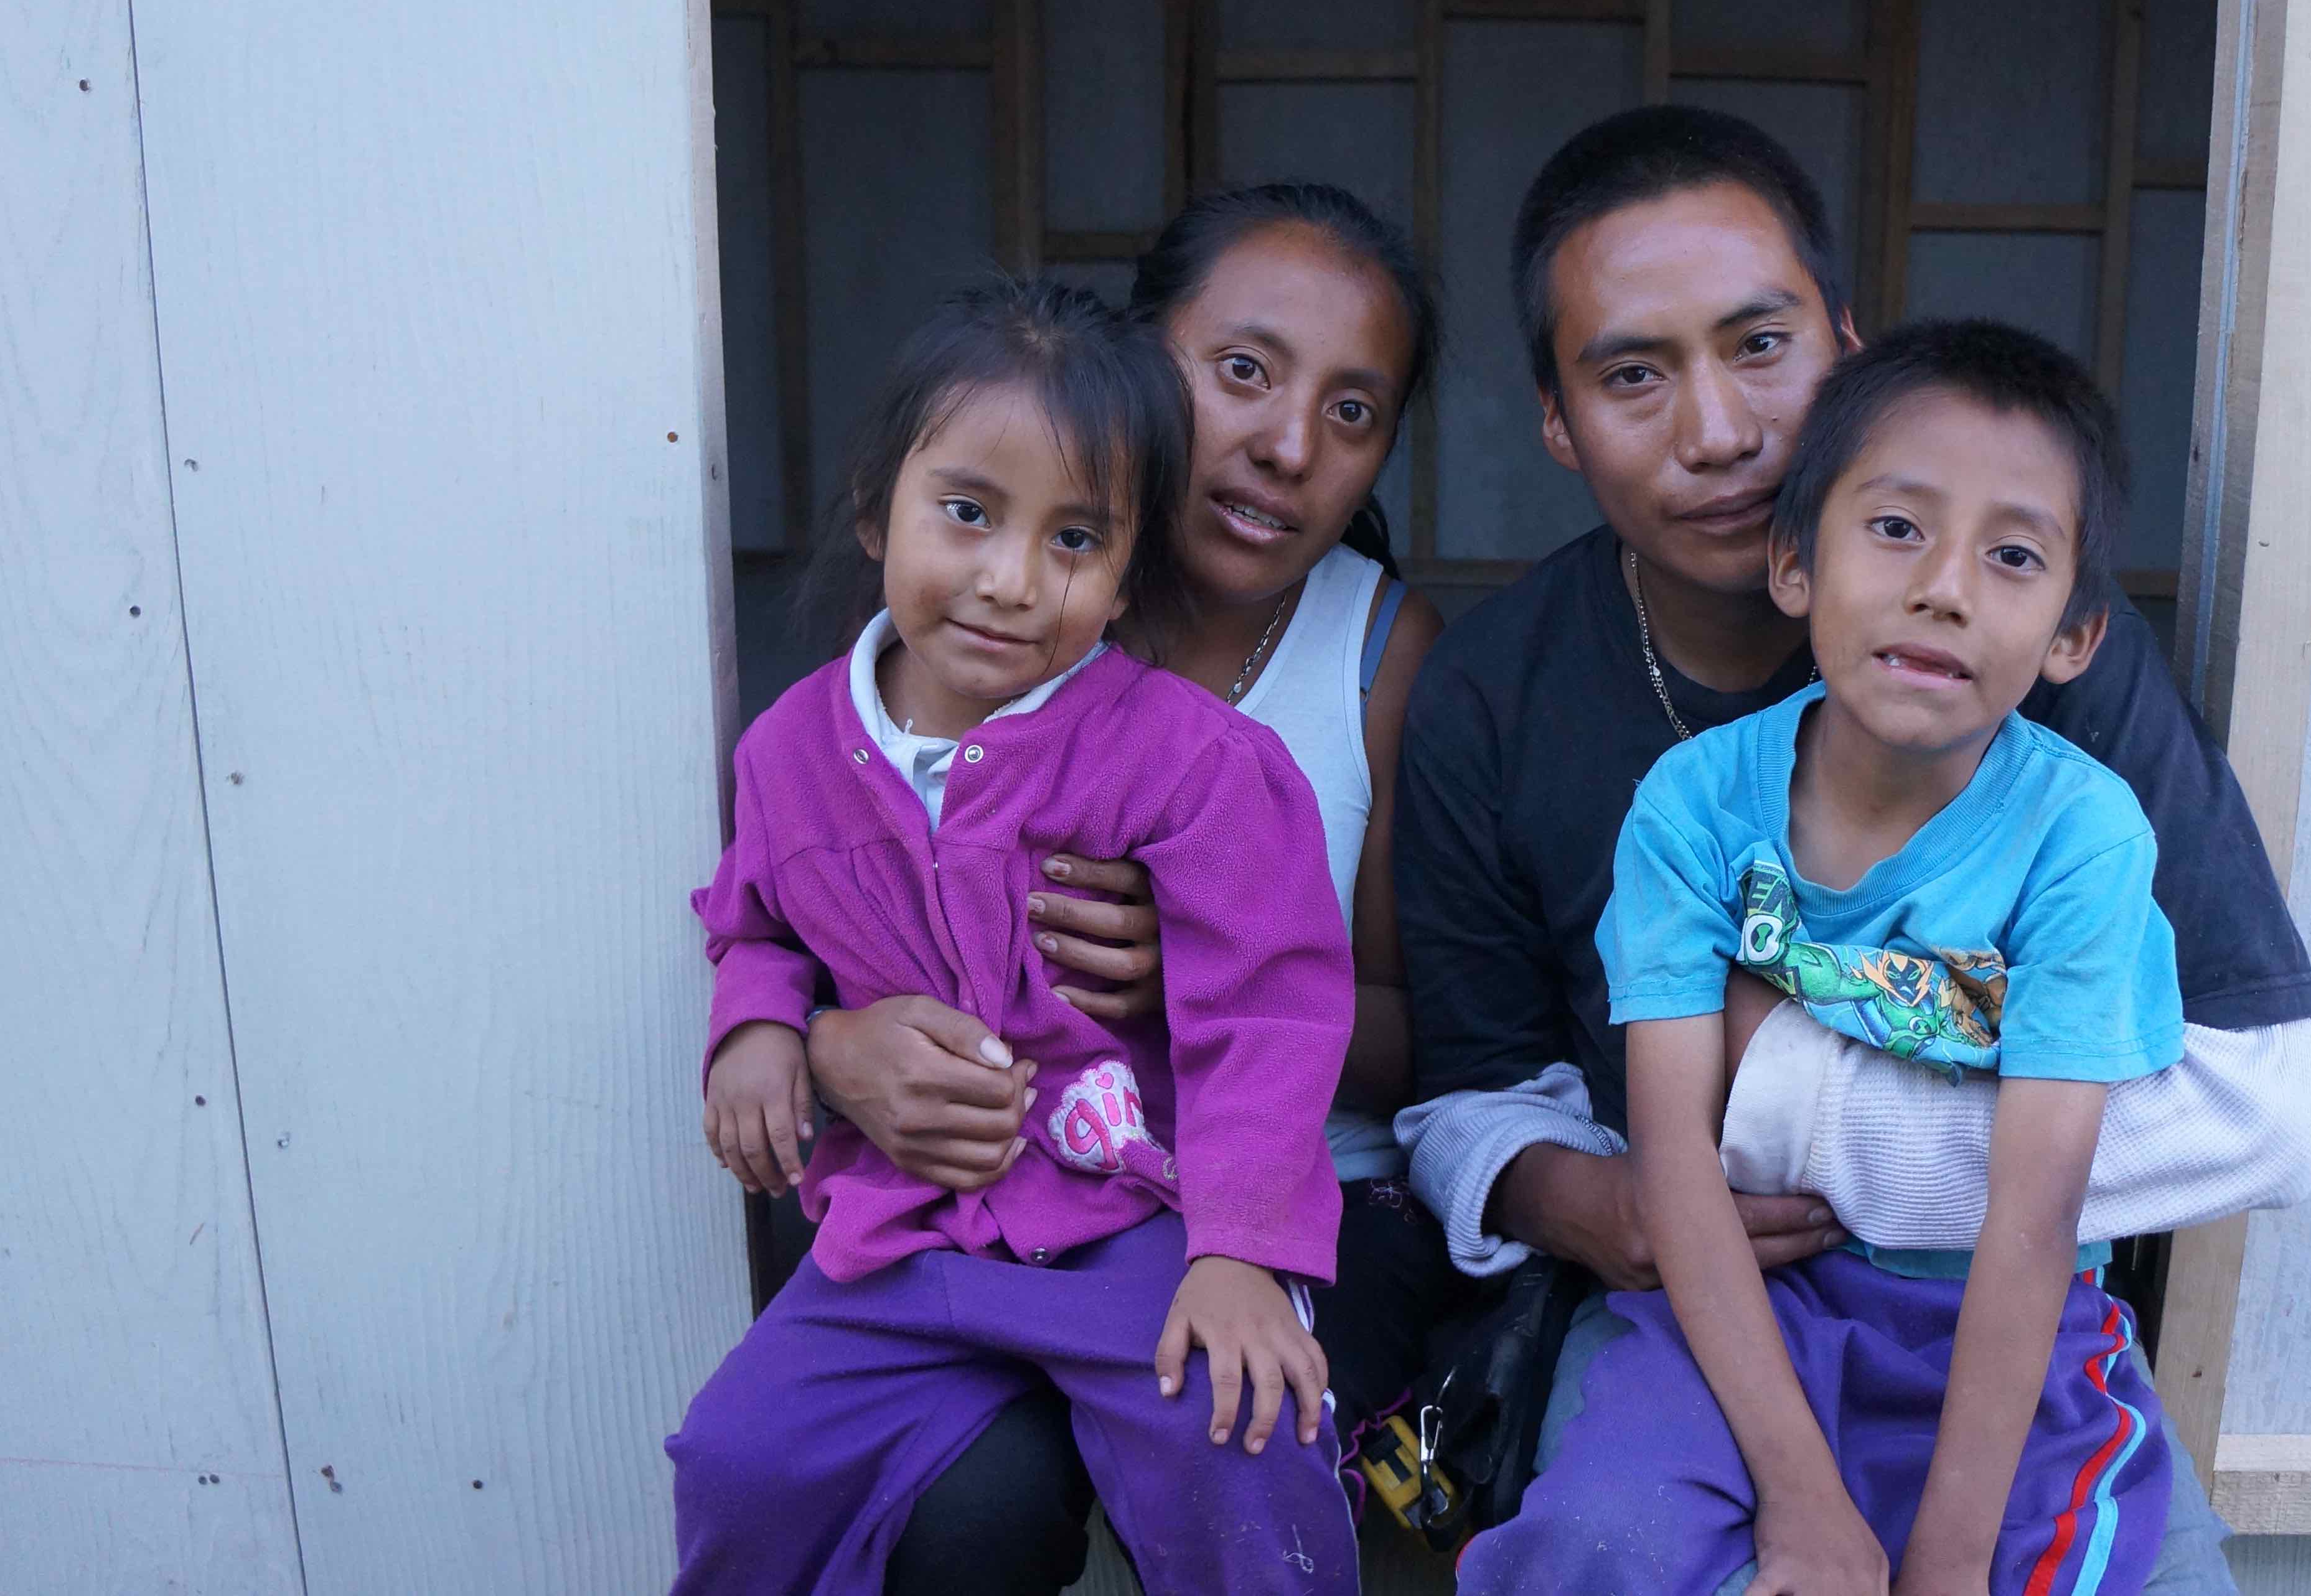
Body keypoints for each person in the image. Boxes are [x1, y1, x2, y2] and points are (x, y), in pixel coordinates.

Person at [1394, 107, 2311, 1590]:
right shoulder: (1507, 699)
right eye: (1633, 374)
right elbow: (1464, 1091)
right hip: (1693, 1316)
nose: (1715, 430)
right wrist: (1602, 1197)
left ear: (1843, 339)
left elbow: (2264, 1115)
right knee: (1608, 1546)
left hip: (2005, 1318)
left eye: (1759, 346)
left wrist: (1776, 1092)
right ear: (1557, 420)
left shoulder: (2058, 682)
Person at [1461, 321, 2187, 1595]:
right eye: (1896, 530)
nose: (1944, 587)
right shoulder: (1694, 804)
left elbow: (2032, 1212)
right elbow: (1672, 1161)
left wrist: (1949, 1565)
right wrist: (1799, 1500)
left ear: (2072, 635)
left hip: (2004, 1327)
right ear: (1795, 566)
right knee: (1597, 1547)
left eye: (2010, 557)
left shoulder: (2079, 837)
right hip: (1747, 1305)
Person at [798, 187, 1451, 1592]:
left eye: (1353, 412)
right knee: (958, 1509)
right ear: (1129, 357)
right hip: (996, 1198)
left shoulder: (1375, 655)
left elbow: (1433, 1031)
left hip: (1305, 1202)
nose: (1286, 445)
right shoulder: (978, 611)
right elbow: (800, 905)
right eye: (1240, 372)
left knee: (1226, 1429)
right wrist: (829, 1052)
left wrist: (1204, 979)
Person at [669, 278, 1359, 1595]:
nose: (1008, 581)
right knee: (737, 1460)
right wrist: (759, 1029)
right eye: (968, 514)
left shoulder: (1193, 764)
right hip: (902, 1229)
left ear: (1124, 573)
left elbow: (1263, 1017)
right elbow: (755, 924)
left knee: (1243, 1433)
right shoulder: (792, 752)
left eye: (1074, 540)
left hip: (1131, 1225)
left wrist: (1239, 1254)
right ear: (880, 507)